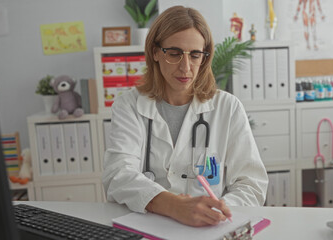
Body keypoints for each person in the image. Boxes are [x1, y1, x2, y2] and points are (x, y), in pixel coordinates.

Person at [102, 6, 268, 227]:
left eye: (195, 55)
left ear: (204, 56)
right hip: (149, 226)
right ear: (155, 52)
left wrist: (215, 212)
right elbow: (118, 174)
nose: (186, 67)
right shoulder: (129, 105)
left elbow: (251, 183)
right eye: (174, 53)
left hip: (207, 229)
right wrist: (174, 206)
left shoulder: (227, 107)